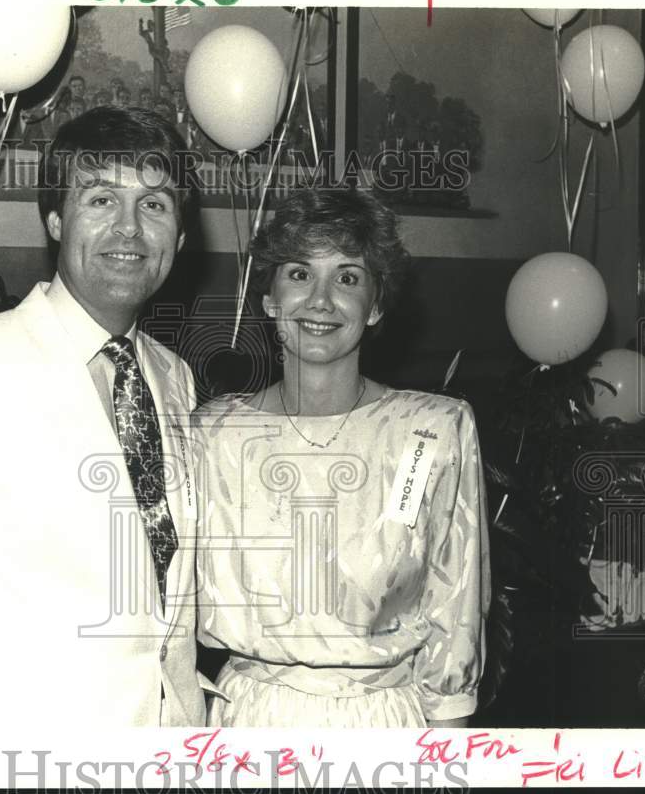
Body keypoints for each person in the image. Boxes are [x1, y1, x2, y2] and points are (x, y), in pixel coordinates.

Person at [0, 106, 220, 726]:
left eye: (155, 205)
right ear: (56, 218)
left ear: (181, 237)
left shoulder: (175, 379)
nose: (130, 229)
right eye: (102, 199)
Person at [193, 187, 490, 728]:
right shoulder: (213, 434)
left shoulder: (429, 434)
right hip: (250, 722)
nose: (322, 301)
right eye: (300, 274)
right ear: (268, 297)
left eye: (348, 277)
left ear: (375, 305)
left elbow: (455, 621)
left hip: (383, 726)